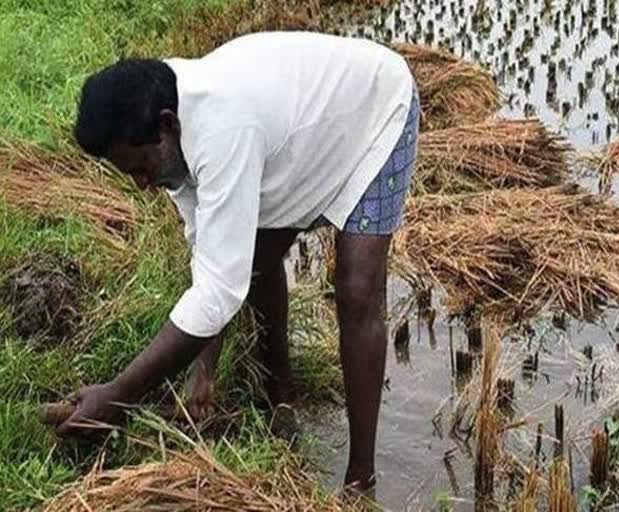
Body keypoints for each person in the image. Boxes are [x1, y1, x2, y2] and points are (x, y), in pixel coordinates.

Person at [50, 31, 420, 494]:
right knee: (255, 258)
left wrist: (118, 395)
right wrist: (204, 368)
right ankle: (279, 395)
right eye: (131, 174)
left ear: (167, 126)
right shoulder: (160, 111)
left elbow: (219, 289)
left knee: (358, 286)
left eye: (142, 168)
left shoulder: (221, 127)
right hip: (299, 132)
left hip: (375, 109)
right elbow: (212, 260)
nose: (143, 184)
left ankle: (360, 479)